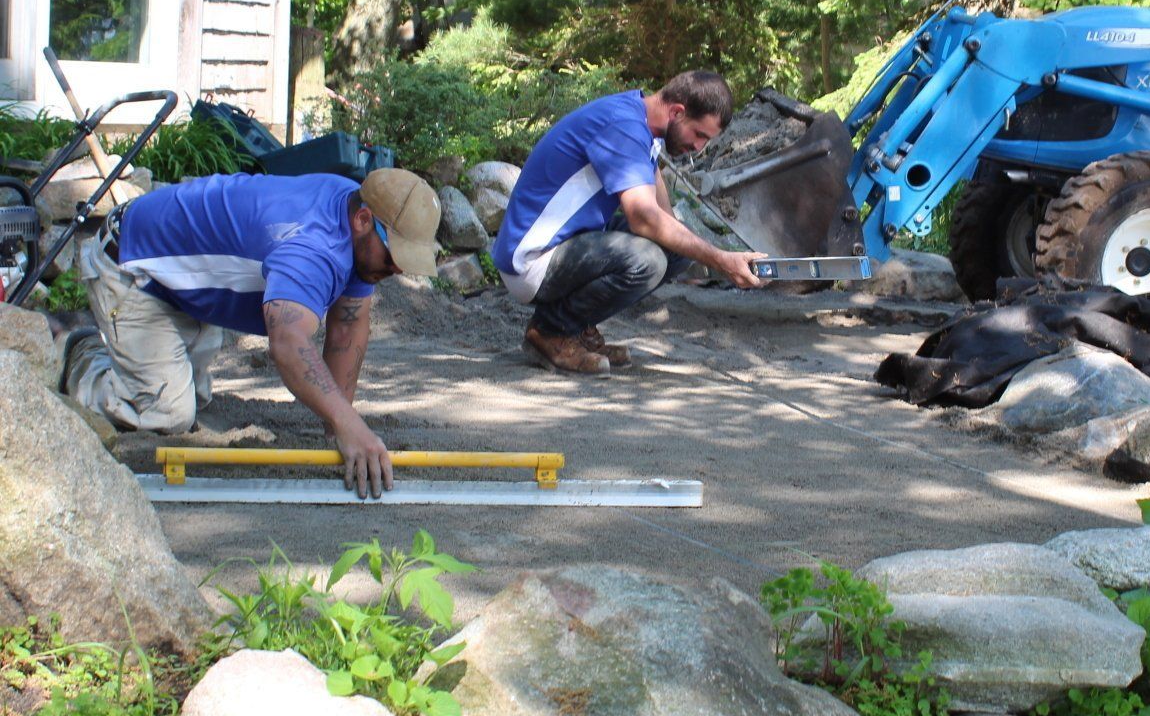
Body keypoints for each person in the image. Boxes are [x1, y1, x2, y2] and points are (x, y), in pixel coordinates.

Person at [60, 168, 441, 498]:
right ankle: (82, 356)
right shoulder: (312, 248)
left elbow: (348, 323)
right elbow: (289, 344)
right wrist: (348, 424)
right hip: (132, 267)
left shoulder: (352, 210)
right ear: (362, 220)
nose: (399, 270)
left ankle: (126, 353)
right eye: (395, 256)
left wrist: (336, 428)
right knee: (166, 414)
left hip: (186, 284)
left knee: (196, 398)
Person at [492, 70, 764, 374]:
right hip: (532, 260)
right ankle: (551, 331)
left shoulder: (647, 129)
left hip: (568, 247)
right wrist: (721, 260)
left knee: (676, 252)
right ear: (677, 112)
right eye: (700, 135)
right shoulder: (624, 127)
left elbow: (666, 219)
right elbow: (644, 219)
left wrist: (712, 260)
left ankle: (577, 328)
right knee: (647, 260)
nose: (699, 148)